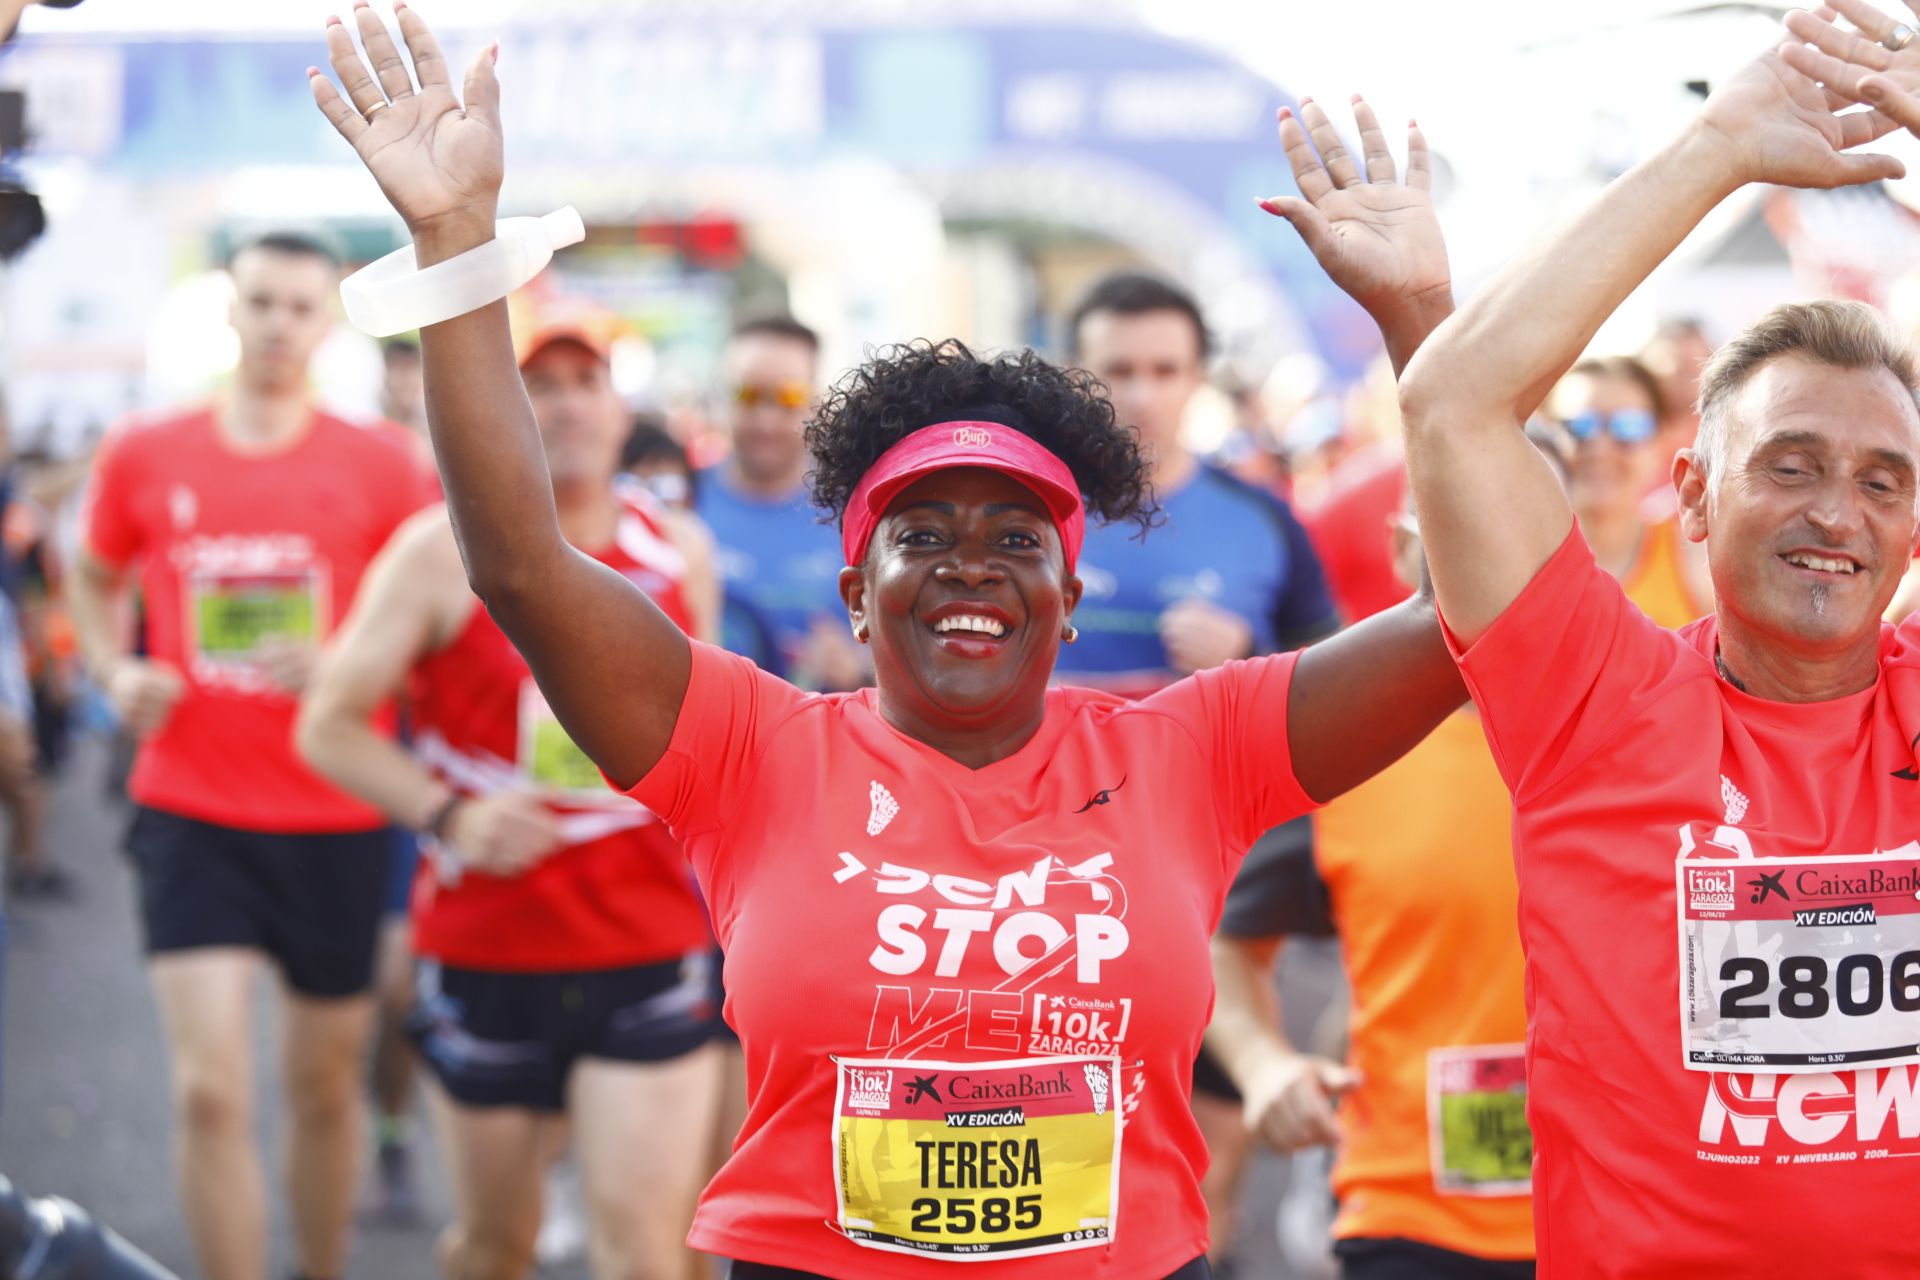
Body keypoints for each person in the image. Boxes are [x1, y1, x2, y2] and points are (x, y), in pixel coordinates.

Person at [307, 11, 1465, 1276]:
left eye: (1017, 538)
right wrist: (456, 246)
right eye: (926, 532)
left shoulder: (1198, 745)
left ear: (1070, 597)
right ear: (859, 590)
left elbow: (1468, 619)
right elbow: (523, 567)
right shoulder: (747, 748)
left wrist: (1421, 323)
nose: (972, 561)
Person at [1397, 23, 1920, 1273]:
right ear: (1691, 493)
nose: (1837, 514)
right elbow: (1453, 404)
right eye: (1790, 467)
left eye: (1883, 482)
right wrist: (1719, 148)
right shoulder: (1597, 699)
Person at [299, 318, 728, 1279]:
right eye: (542, 384)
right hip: (492, 944)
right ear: (504, 411)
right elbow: (326, 725)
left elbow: (700, 730)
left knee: (648, 1251)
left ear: (621, 413)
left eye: (589, 382)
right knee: (498, 1246)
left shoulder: (678, 550)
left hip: (649, 938)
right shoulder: (435, 553)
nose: (569, 403)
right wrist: (448, 815)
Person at [69, 229, 430, 1280]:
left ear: (327, 323)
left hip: (333, 810)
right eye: (260, 301)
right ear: (229, 309)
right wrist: (109, 669)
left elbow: (434, 619)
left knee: (324, 1086)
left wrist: (342, 659)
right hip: (190, 802)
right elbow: (93, 574)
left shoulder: (383, 463)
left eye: (299, 306)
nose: (277, 323)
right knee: (209, 1088)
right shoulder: (145, 448)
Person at [1206, 431, 1571, 1280]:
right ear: (1407, 547)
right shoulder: (1344, 748)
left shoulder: (1645, 734)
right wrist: (1265, 1067)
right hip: (1410, 1217)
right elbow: (1223, 940)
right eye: (1463, 518)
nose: (1500, 548)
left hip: (1624, 1209)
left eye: (1534, 521)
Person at [1062, 272, 1338, 698]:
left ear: (1198, 378)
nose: (1142, 396)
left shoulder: (1265, 518)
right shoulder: (1025, 508)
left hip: (1203, 762)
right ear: (1075, 375)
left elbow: (1333, 686)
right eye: (1118, 370)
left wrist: (1249, 658)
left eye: (1165, 371)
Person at [693, 314, 864, 690]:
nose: (766, 420)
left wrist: (859, 667)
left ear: (817, 403)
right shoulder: (681, 504)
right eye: (748, 395)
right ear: (724, 395)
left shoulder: (856, 511)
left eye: (788, 397)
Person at [1545, 356, 1713, 626]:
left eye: (1629, 427)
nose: (1600, 449)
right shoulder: (1523, 562)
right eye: (1579, 427)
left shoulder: (1696, 561)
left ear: (1659, 443)